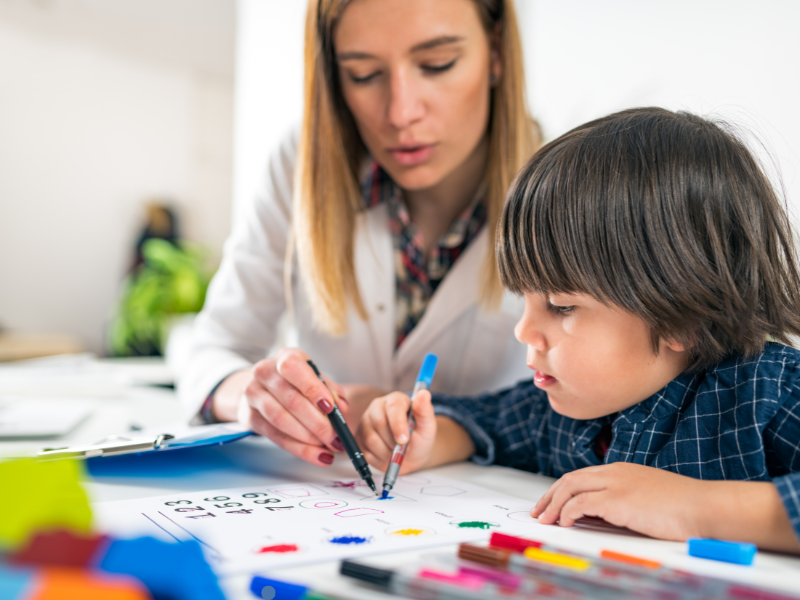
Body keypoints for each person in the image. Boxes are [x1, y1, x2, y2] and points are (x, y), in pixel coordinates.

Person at [358, 107, 800, 553]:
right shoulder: (564, 408)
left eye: (561, 306)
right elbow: (484, 423)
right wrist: (424, 440)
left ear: (680, 318)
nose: (524, 330)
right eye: (524, 300)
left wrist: (695, 508)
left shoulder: (769, 394)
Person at [179, 0, 540, 467]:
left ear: (495, 52)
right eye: (364, 74)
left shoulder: (575, 190)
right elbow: (212, 349)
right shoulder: (301, 166)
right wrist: (253, 398)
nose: (400, 112)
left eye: (437, 64)